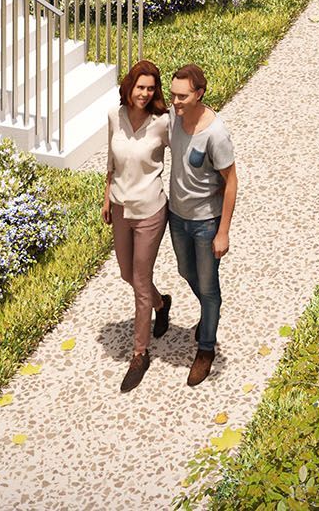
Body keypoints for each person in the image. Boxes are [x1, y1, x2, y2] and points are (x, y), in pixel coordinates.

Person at [103, 59, 173, 393]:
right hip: (120, 208)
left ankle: (140, 353)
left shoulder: (162, 123)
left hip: (150, 211)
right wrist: (106, 198)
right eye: (139, 86)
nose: (144, 93)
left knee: (141, 281)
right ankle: (162, 304)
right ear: (129, 86)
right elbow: (111, 161)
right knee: (127, 274)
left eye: (150, 88)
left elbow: (188, 151)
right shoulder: (114, 117)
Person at [167, 62, 237, 386]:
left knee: (209, 289)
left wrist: (222, 232)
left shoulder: (216, 134)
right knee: (185, 272)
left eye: (182, 97)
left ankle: (205, 347)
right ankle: (210, 311)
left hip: (206, 223)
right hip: (177, 217)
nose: (176, 102)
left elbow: (231, 182)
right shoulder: (174, 118)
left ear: (199, 93)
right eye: (173, 96)